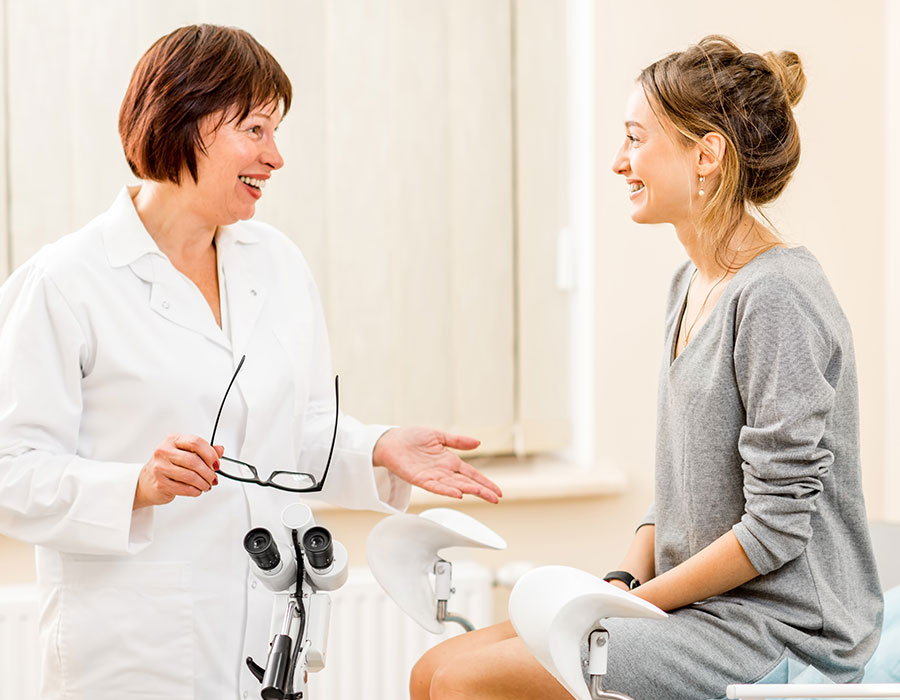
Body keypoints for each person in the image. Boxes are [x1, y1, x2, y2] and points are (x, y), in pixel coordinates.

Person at [0, 24, 502, 700]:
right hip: (132, 646)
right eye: (257, 130)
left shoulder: (277, 264)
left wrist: (379, 448)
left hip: (272, 630)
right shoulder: (65, 283)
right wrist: (136, 486)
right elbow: (12, 469)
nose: (276, 157)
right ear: (186, 120)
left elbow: (294, 432)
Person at [411, 35, 882, 700]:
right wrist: (619, 584)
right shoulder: (688, 285)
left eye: (635, 139)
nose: (617, 162)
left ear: (706, 154)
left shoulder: (779, 296)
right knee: (433, 669)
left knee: (469, 683)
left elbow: (775, 526)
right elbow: (686, 490)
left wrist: (635, 606)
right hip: (702, 612)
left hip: (783, 632)